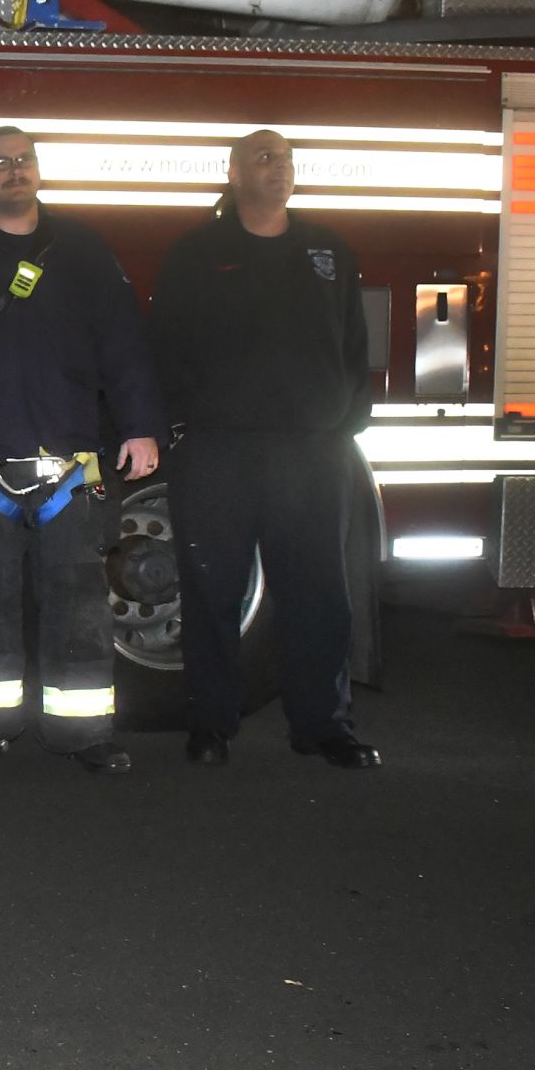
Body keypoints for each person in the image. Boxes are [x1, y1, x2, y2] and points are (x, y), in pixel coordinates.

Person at [0, 126, 166, 774]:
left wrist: (141, 425)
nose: (13, 170)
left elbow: (124, 342)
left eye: (23, 159)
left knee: (81, 600)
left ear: (37, 168)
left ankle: (84, 732)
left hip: (73, 459)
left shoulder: (82, 250)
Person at [150, 131, 381, 770]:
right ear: (233, 173)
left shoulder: (328, 251)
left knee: (319, 595)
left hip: (313, 454)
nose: (279, 168)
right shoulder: (196, 253)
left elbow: (353, 344)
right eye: (264, 158)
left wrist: (345, 422)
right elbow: (164, 345)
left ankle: (324, 726)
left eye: (285, 159)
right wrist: (184, 424)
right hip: (218, 451)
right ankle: (211, 724)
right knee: (211, 593)